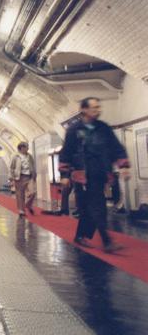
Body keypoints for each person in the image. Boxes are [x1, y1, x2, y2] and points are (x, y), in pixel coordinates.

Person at [59, 97, 130, 252]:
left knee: (87, 208)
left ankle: (79, 236)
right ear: (84, 110)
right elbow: (66, 153)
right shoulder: (74, 130)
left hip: (100, 173)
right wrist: (64, 175)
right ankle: (107, 242)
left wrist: (123, 165)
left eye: (98, 107)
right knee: (97, 207)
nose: (98, 110)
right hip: (82, 175)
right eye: (94, 107)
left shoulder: (103, 128)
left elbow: (116, 147)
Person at [10, 142, 36, 216]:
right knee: (20, 194)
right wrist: (11, 178)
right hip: (19, 177)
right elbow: (11, 167)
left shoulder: (30, 156)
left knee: (33, 192)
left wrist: (34, 175)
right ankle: (21, 210)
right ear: (22, 148)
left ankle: (28, 205)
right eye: (26, 147)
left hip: (29, 176)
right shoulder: (15, 157)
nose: (28, 148)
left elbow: (33, 165)